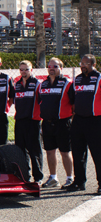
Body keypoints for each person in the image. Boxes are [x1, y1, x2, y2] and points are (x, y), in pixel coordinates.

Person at [36, 57, 74, 189]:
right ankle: (53, 178)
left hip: (63, 123)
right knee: (50, 151)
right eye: (50, 66)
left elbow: (74, 105)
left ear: (61, 68)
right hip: (47, 123)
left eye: (55, 66)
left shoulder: (67, 83)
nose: (52, 68)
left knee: (65, 151)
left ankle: (69, 178)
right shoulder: (43, 84)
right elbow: (40, 101)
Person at [67, 54, 101, 194]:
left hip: (95, 120)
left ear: (93, 64)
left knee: (98, 153)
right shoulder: (78, 79)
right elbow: (71, 98)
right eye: (81, 63)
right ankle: (79, 181)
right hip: (79, 120)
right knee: (77, 152)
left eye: (86, 63)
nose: (83, 65)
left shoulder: (99, 77)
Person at [14, 60, 44, 183]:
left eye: (26, 69)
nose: (24, 71)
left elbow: (42, 102)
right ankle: (24, 175)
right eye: (21, 69)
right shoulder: (17, 84)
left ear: (31, 70)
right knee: (20, 150)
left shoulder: (37, 84)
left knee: (34, 150)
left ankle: (38, 177)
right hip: (20, 121)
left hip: (33, 121)